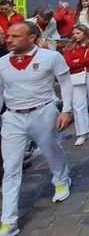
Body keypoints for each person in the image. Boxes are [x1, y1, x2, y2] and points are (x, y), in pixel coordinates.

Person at [0, 22, 73, 236]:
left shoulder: (50, 57)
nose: (9, 39)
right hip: (13, 116)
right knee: (11, 167)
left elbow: (65, 82)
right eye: (8, 36)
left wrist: (66, 110)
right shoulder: (2, 63)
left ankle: (61, 180)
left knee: (51, 149)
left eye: (15, 36)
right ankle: (9, 219)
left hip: (43, 111)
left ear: (31, 38)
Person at [62, 25, 89, 146]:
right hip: (76, 76)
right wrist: (84, 61)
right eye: (74, 33)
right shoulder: (69, 47)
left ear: (84, 33)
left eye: (77, 33)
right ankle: (82, 132)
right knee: (78, 104)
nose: (75, 36)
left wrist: (79, 61)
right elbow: (69, 62)